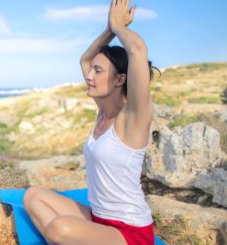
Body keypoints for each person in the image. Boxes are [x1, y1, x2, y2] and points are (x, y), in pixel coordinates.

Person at [23, 0, 157, 244]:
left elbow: (137, 48)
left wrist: (119, 27)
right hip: (98, 219)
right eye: (92, 71)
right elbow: (85, 59)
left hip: (130, 232)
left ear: (120, 80)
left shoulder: (132, 119)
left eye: (98, 71)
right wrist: (108, 29)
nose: (88, 75)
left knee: (58, 229)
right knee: (33, 195)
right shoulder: (103, 111)